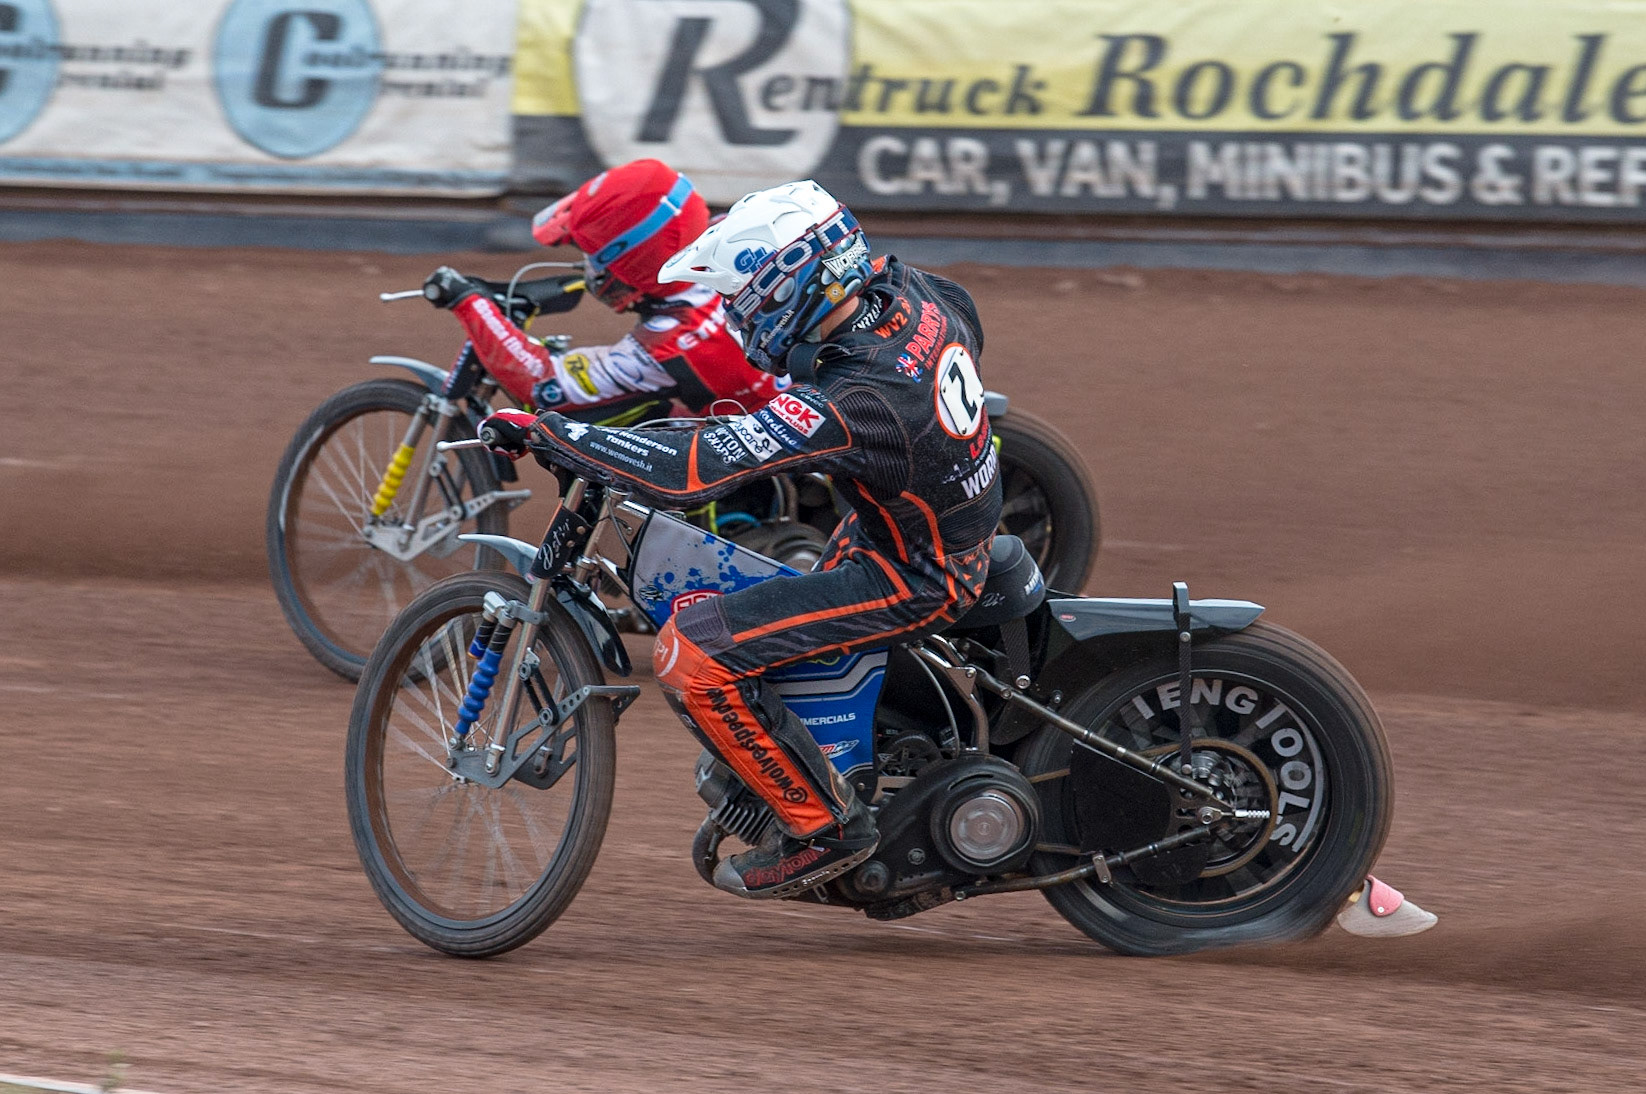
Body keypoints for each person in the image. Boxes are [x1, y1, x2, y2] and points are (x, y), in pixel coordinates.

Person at [479, 180, 1002, 899]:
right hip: (912, 521)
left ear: (799, 285)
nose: (737, 315)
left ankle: (823, 828)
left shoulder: (855, 396)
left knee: (691, 652)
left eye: (749, 299)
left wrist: (553, 432)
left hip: (916, 571)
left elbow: (691, 477)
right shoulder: (921, 294)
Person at [422, 158, 787, 420]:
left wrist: (470, 301)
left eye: (593, 255)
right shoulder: (743, 237)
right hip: (816, 407)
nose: (591, 267)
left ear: (633, 258)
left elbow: (541, 384)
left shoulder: (668, 342)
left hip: (774, 459)